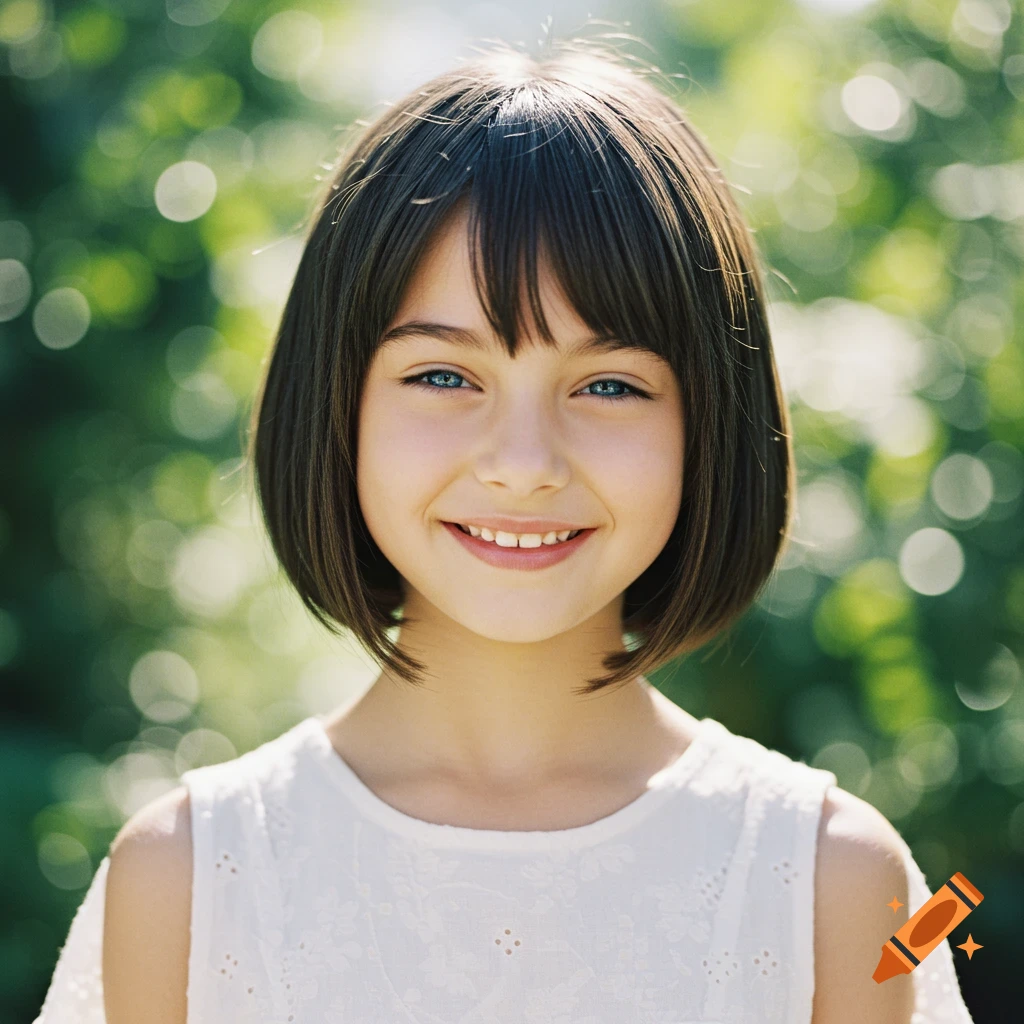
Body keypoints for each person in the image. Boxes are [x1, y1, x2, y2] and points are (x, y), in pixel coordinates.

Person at [33, 39, 975, 1024]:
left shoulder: (829, 883)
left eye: (609, 384)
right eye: (443, 375)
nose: (522, 462)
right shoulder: (188, 881)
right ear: (335, 404)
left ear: (712, 421)